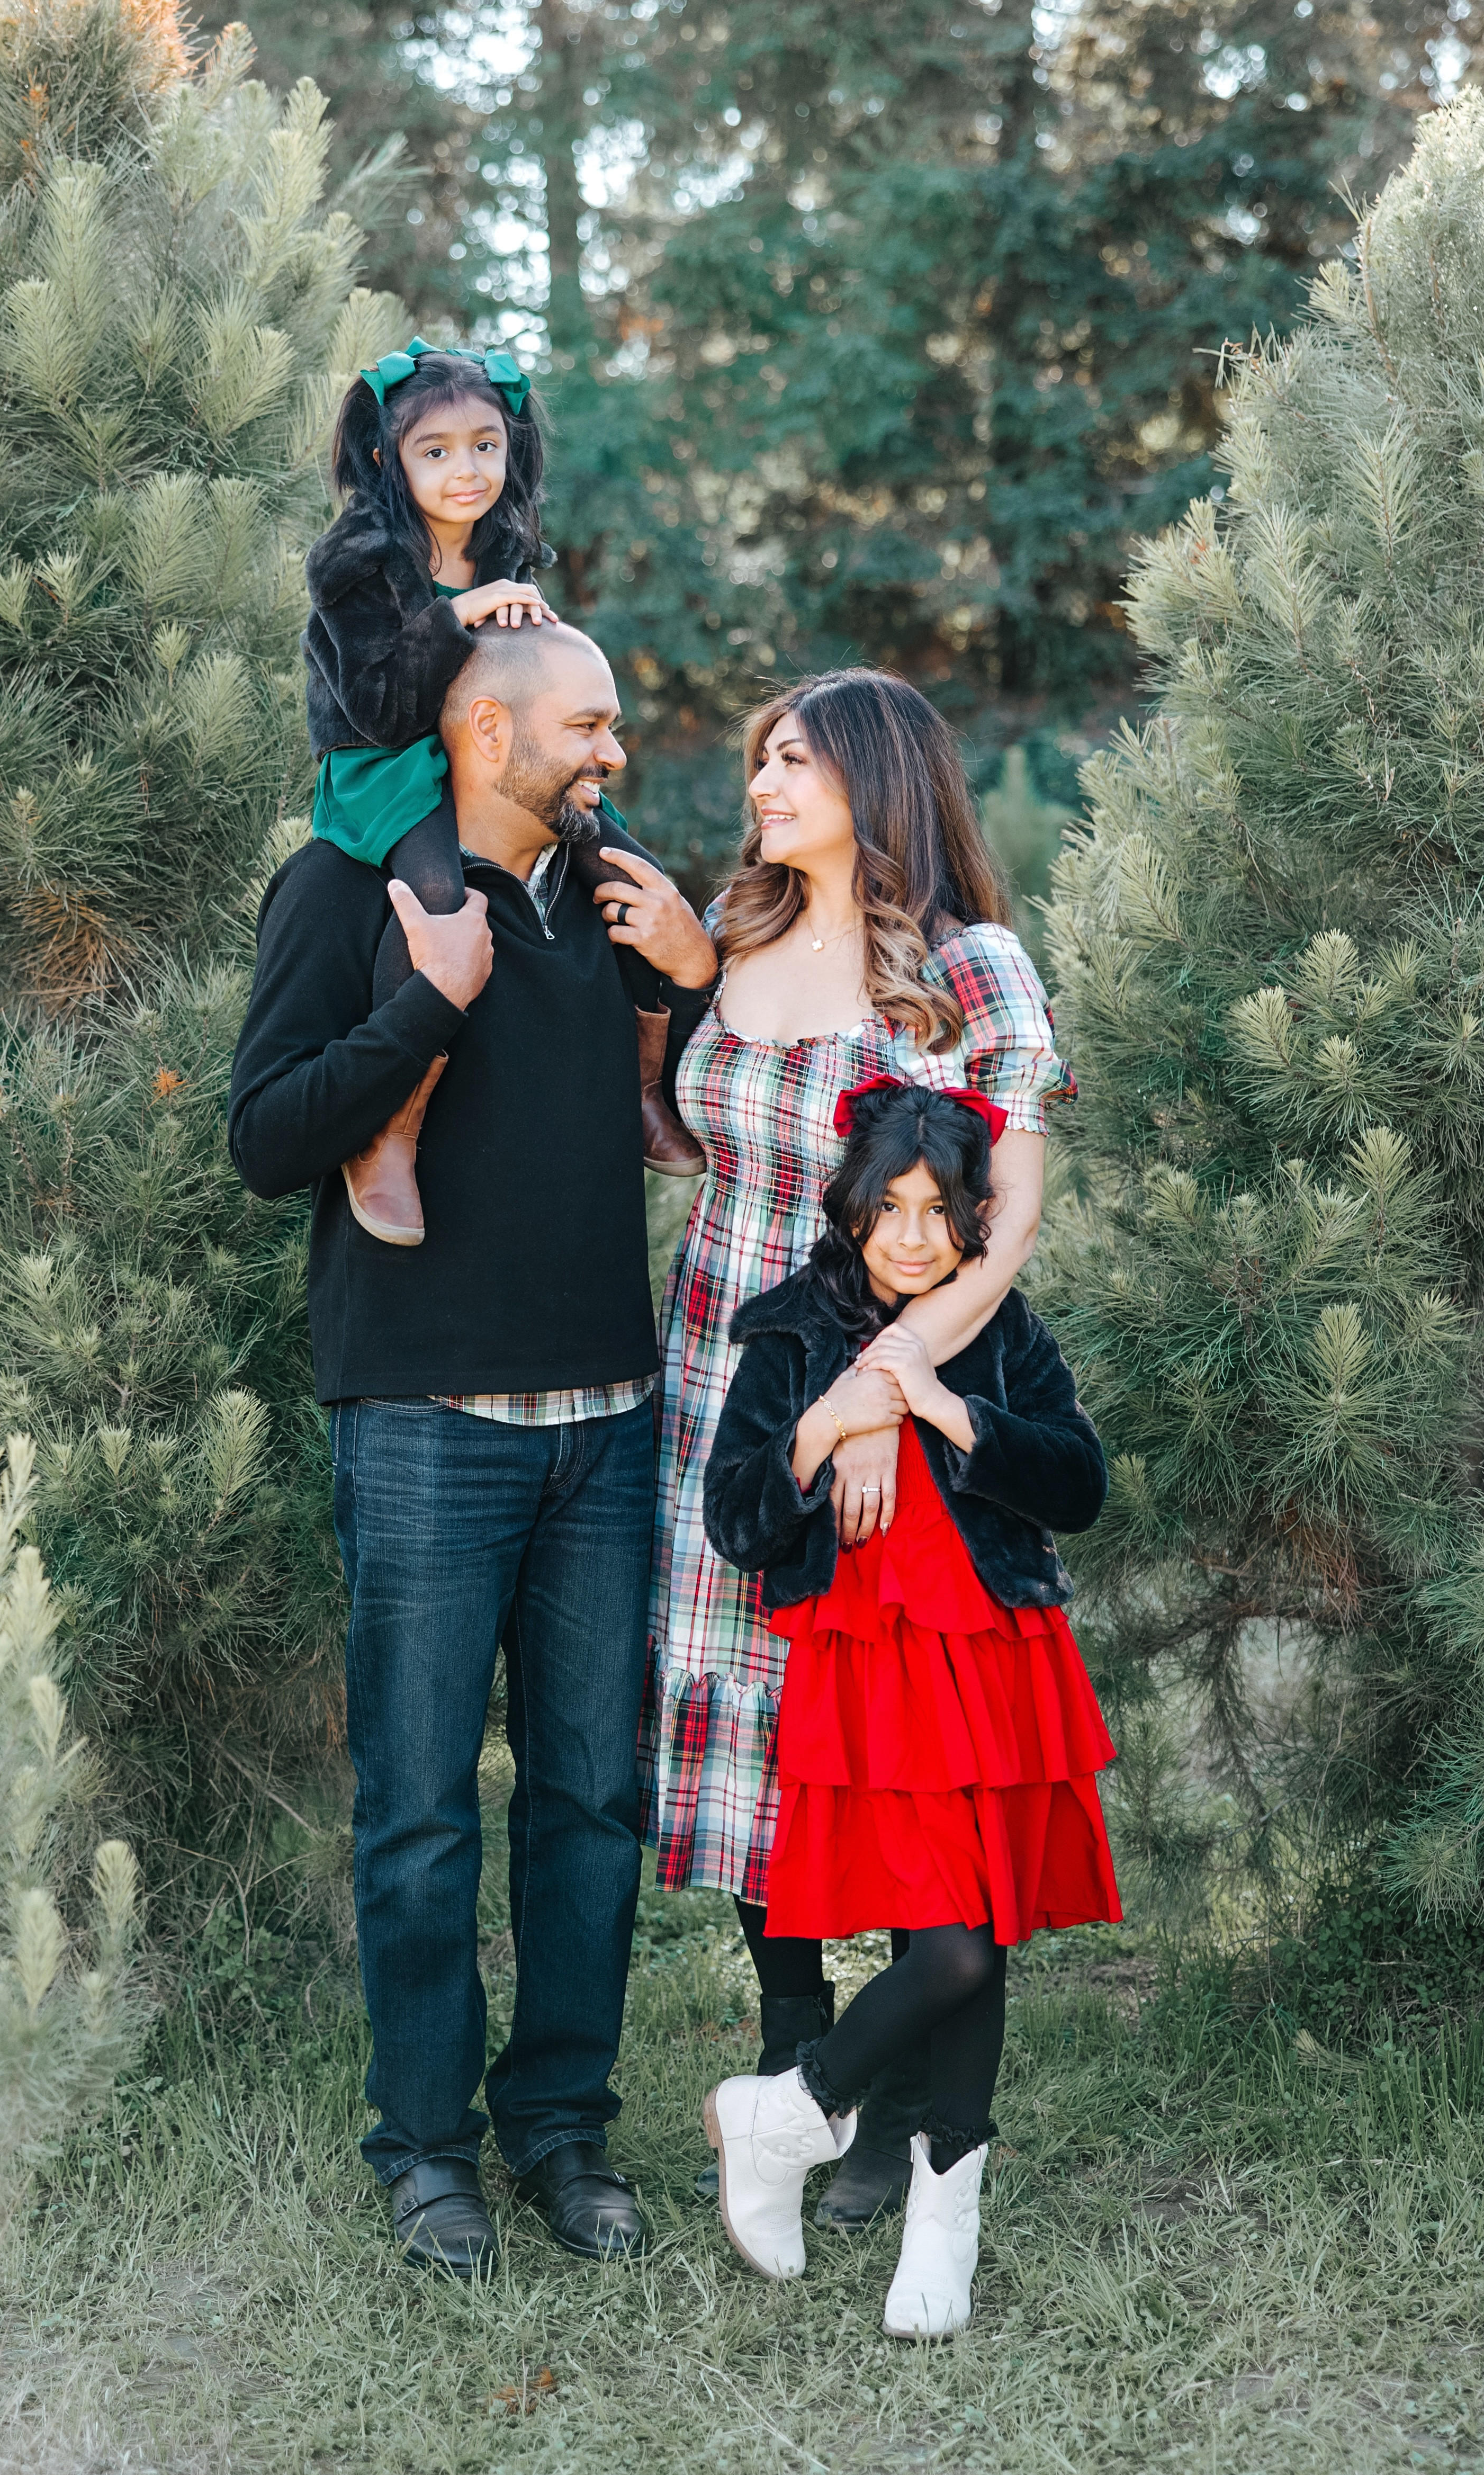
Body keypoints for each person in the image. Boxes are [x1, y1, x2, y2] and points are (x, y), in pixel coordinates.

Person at [228, 618, 718, 2279]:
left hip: (608, 1419)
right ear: (487, 738)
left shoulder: (614, 895)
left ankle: (560, 2129)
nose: (612, 754)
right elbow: (265, 1135)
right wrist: (423, 1013)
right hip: (428, 1425)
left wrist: (698, 976)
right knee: (422, 1811)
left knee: (589, 1800)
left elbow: (701, 1115)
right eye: (587, 725)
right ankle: (426, 2147)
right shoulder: (345, 887)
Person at [638, 667, 1079, 2228]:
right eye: (759, 755)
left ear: (878, 780)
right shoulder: (737, 933)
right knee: (762, 1726)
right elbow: (679, 1133)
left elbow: (1007, 1215)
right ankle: (791, 2056)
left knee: (886, 1738)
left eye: (793, 759)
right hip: (724, 1377)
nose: (761, 780)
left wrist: (887, 1378)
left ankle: (891, 2111)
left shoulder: (968, 970)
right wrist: (674, 984)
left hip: (889, 1388)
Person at [699, 1078, 1119, 2336]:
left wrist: (951, 1411)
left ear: (976, 1219)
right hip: (872, 1675)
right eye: (889, 1208)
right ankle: (793, 2112)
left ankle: (941, 2215)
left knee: (978, 1936)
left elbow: (1080, 1483)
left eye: (938, 1212)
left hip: (992, 1661)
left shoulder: (993, 1331)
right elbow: (735, 1518)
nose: (912, 1238)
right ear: (848, 1205)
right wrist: (825, 1428)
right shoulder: (788, 1332)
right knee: (952, 1949)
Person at [302, 334, 703, 1244]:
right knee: (437, 893)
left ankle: (645, 1081)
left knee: (624, 865)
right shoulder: (359, 557)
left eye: (486, 445)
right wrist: (456, 618)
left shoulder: (504, 544)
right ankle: (390, 1130)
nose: (467, 471)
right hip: (390, 761)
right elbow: (376, 703)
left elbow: (517, 679)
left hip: (492, 758)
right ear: (386, 458)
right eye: (435, 452)